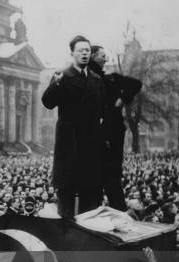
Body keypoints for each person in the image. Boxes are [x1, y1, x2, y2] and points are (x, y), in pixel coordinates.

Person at [42, 35, 106, 218]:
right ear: (72, 54)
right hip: (69, 143)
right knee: (66, 193)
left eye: (87, 50)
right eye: (81, 50)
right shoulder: (62, 76)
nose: (85, 54)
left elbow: (102, 111)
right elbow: (47, 102)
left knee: (90, 194)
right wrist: (56, 83)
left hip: (90, 144)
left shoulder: (96, 79)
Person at [88, 44, 143, 211]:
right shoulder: (87, 78)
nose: (106, 58)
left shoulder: (111, 78)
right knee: (99, 177)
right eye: (102, 55)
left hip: (113, 131)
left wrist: (122, 99)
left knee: (112, 176)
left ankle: (117, 210)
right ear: (92, 56)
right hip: (97, 132)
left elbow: (136, 84)